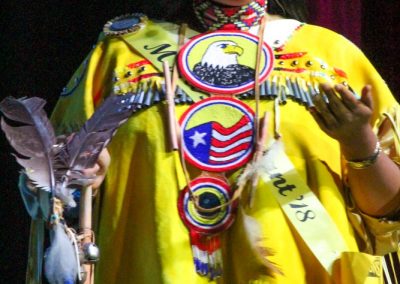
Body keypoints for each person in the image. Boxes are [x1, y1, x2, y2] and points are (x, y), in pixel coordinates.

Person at [47, 0, 400, 283]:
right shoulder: (121, 56)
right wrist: (76, 183)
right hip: (156, 266)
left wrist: (359, 145)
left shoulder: (330, 57)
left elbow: (390, 214)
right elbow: (52, 194)